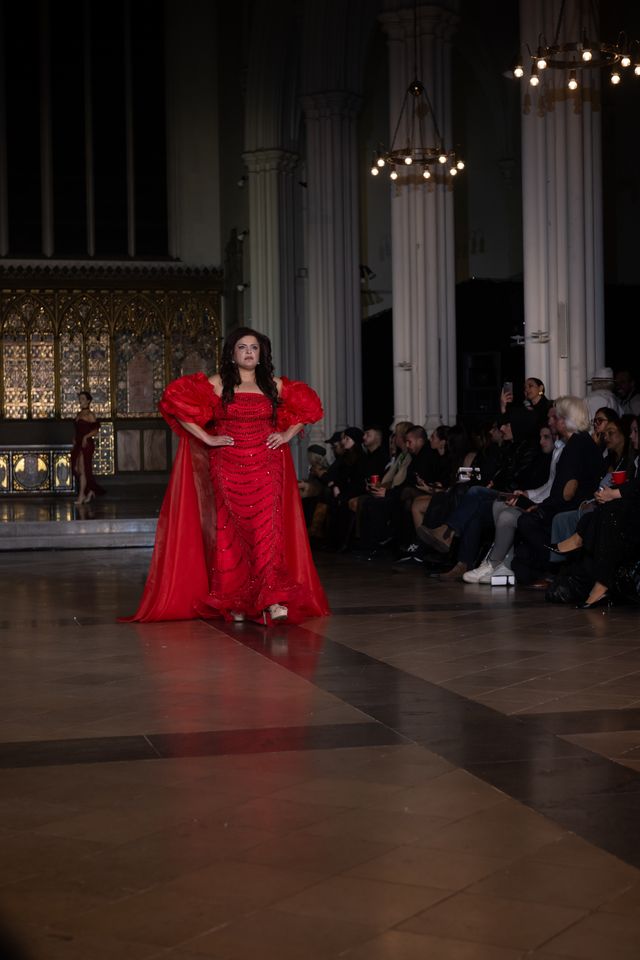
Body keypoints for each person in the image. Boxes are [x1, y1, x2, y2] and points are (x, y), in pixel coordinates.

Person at [124, 327, 329, 625]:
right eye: (242, 347)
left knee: (267, 532)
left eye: (254, 348)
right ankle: (235, 599)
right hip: (228, 466)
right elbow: (175, 403)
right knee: (231, 532)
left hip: (266, 466)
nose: (249, 352)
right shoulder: (218, 384)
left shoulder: (274, 385)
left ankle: (273, 600)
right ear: (232, 354)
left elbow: (309, 407)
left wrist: (286, 434)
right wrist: (207, 439)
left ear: (261, 354)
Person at [71, 390, 105, 505]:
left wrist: (86, 437)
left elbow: (95, 430)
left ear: (88, 401)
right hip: (79, 444)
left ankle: (81, 496)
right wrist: (75, 439)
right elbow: (78, 429)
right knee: (77, 469)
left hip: (86, 445)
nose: (80, 401)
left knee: (83, 470)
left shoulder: (90, 415)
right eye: (79, 399)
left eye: (83, 399)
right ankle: (90, 491)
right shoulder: (79, 414)